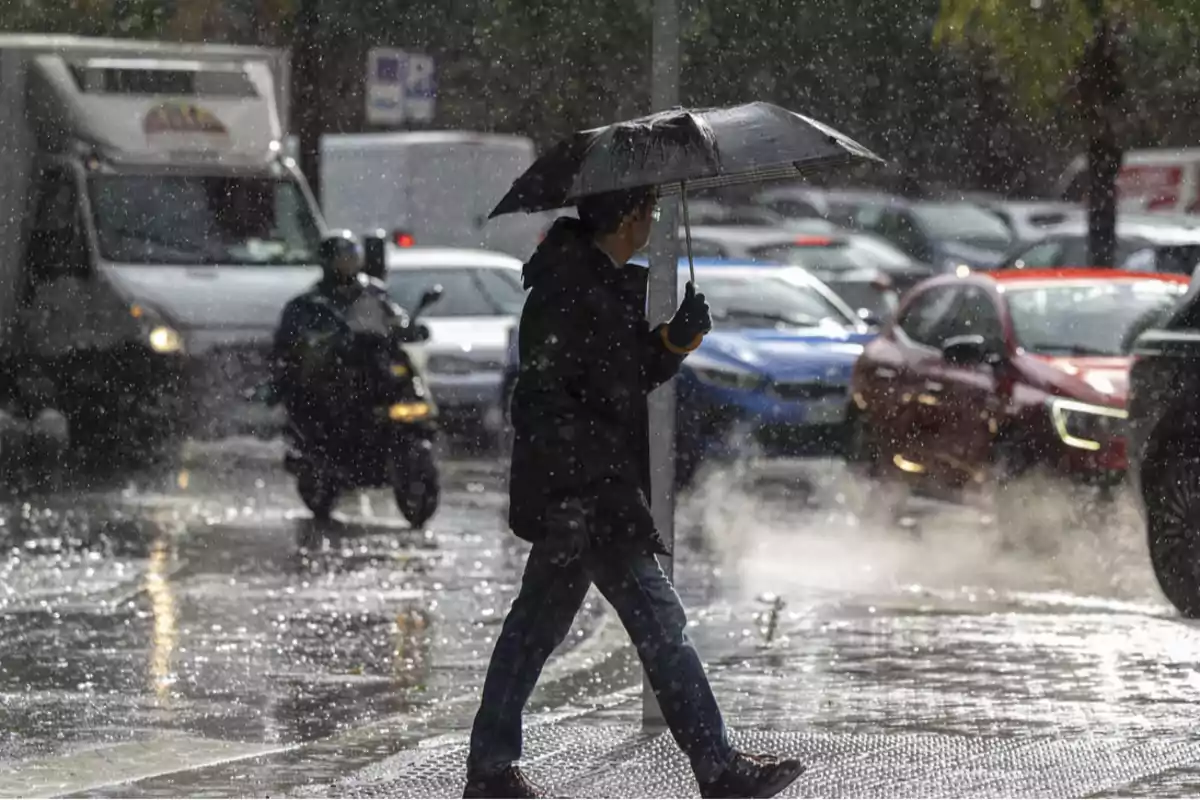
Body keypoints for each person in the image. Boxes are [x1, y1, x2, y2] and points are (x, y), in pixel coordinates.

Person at [463, 188, 805, 800]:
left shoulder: (588, 283)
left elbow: (613, 382)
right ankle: (718, 768)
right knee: (658, 624)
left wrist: (674, 342)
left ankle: (490, 769)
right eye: (647, 212)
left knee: (534, 630)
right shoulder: (571, 290)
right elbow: (542, 402)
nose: (652, 222)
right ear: (626, 219)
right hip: (588, 497)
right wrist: (566, 497)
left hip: (586, 492)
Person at [271, 230, 413, 454]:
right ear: (328, 261)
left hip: (374, 367)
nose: (349, 262)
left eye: (352, 255)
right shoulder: (309, 302)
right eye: (342, 256)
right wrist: (321, 341)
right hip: (332, 372)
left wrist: (407, 327)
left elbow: (394, 317)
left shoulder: (373, 291)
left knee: (404, 382)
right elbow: (289, 341)